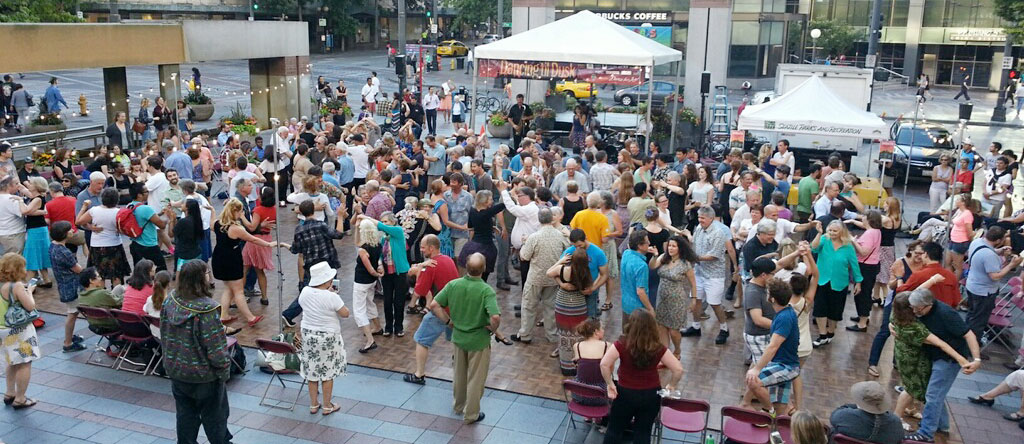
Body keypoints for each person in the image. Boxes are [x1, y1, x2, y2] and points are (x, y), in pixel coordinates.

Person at [161, 260, 233, 444]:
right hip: (205, 377)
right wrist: (224, 373)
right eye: (207, 272)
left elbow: (163, 332)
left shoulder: (170, 300)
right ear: (200, 279)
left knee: (185, 417)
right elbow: (216, 348)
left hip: (177, 370)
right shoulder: (207, 310)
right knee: (215, 419)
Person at [427, 253, 501, 424]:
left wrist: (448, 321)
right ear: (484, 269)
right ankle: (471, 414)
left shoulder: (454, 285)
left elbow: (434, 305)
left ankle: (458, 405)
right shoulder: (485, 290)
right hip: (478, 340)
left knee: (459, 374)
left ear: (466, 267)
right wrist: (492, 329)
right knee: (476, 378)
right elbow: (495, 317)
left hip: (459, 337)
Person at [904, 288, 983, 442]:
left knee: (933, 395)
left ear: (928, 305)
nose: (914, 311)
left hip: (949, 360)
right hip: (935, 355)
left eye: (917, 309)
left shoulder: (946, 314)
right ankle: (942, 424)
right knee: (936, 393)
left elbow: (969, 334)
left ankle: (926, 433)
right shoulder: (920, 307)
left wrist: (977, 359)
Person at [890, 290, 970, 432]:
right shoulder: (916, 328)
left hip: (903, 356)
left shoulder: (895, 316)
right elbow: (941, 344)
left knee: (933, 391)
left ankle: (941, 424)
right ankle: (897, 419)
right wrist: (961, 359)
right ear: (910, 308)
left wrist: (932, 280)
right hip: (915, 360)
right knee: (912, 389)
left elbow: (915, 293)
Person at [600, 310, 683, 444]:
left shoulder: (621, 343)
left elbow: (604, 364)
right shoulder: (658, 347)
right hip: (650, 395)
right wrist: (671, 386)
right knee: (643, 432)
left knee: (614, 430)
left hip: (625, 394)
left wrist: (610, 384)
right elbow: (678, 369)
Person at [212, 198, 278, 328]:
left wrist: (213, 211)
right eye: (241, 211)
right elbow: (253, 239)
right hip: (231, 260)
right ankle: (250, 317)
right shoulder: (236, 228)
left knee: (228, 288)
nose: (242, 213)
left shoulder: (217, 223)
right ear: (235, 211)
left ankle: (224, 315)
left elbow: (210, 223)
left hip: (218, 258)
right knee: (238, 291)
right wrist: (269, 244)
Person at [298, 261, 350, 416]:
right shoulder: (331, 297)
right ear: (327, 281)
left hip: (308, 334)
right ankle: (327, 406)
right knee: (327, 373)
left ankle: (314, 404)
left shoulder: (305, 291)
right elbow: (345, 313)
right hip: (328, 336)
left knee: (312, 371)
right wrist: (335, 296)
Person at [282, 200, 345, 327]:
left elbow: (295, 250)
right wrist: (340, 216)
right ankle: (330, 312)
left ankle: (289, 314)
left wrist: (284, 245)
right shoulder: (321, 225)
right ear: (314, 210)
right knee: (333, 289)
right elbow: (338, 234)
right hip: (328, 263)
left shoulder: (299, 229)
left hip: (311, 266)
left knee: (307, 291)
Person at [513, 208, 568, 344]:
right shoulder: (560, 235)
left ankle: (525, 335)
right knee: (550, 307)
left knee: (528, 306)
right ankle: (552, 335)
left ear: (539, 220)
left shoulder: (534, 237)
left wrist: (525, 242)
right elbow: (567, 251)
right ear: (551, 219)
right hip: (553, 278)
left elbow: (524, 256)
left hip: (535, 278)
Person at [964, 226, 1023, 340]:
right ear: (998, 240)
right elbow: (995, 276)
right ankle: (972, 345)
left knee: (972, 315)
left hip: (972, 285)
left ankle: (966, 338)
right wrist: (1011, 265)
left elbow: (985, 251)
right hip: (983, 292)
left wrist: (999, 251)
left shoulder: (977, 242)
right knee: (978, 321)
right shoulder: (989, 256)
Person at [810, 220, 863, 347]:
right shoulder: (824, 239)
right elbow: (814, 248)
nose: (832, 233)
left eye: (835, 231)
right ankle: (822, 335)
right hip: (822, 280)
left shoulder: (848, 246)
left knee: (835, 311)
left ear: (841, 232)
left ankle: (830, 332)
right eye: (830, 230)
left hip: (840, 282)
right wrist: (819, 233)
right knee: (820, 308)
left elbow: (854, 265)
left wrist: (858, 282)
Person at [0, 253, 40, 410]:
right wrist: (29, 291)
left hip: (3, 327)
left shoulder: (2, 284)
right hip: (18, 329)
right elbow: (30, 306)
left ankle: (9, 393)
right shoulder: (16, 286)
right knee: (24, 362)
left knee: (11, 360)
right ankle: (20, 398)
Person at [651, 235, 698, 358]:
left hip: (676, 299)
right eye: (669, 245)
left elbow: (693, 283)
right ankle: (664, 352)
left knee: (673, 330)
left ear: (679, 248)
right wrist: (655, 256)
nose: (670, 248)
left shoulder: (685, 264)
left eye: (674, 246)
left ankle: (677, 350)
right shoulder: (663, 258)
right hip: (661, 298)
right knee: (661, 326)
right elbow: (652, 266)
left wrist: (693, 299)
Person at [547, 247, 592, 375]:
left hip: (563, 304)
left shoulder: (564, 270)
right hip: (579, 305)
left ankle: (566, 365)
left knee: (563, 333)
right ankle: (578, 364)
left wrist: (561, 281)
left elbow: (549, 273)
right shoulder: (586, 273)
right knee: (578, 333)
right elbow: (588, 289)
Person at [76, 188, 131, 285]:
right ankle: (117, 296)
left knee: (99, 274)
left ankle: (102, 294)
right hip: (114, 244)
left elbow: (78, 221)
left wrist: (84, 208)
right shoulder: (119, 212)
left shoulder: (94, 210)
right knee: (116, 274)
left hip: (98, 245)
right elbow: (123, 230)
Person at [48, 221, 86, 353]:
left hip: (63, 285)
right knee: (72, 313)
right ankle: (68, 342)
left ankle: (69, 337)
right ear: (64, 234)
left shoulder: (53, 246)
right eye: (69, 230)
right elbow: (78, 269)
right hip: (72, 286)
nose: (72, 231)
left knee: (72, 312)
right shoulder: (64, 252)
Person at [830, 381, 905, 444]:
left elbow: (834, 417)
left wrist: (856, 405)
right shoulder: (895, 423)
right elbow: (898, 438)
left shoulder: (844, 416)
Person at [242, 188, 277, 304]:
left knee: (245, 268)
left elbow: (252, 227)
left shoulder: (258, 210)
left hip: (255, 240)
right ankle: (265, 297)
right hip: (266, 238)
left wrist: (242, 217)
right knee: (260, 270)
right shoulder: (274, 209)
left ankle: (240, 294)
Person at [128, 181, 170, 272]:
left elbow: (143, 218)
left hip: (135, 243)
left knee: (140, 272)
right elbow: (162, 225)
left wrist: (158, 214)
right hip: (149, 245)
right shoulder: (146, 208)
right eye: (146, 192)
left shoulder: (130, 206)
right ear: (139, 195)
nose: (148, 193)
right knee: (161, 271)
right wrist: (167, 217)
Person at [572, 319, 610, 409]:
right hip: (601, 396)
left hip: (579, 395)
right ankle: (598, 417)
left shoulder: (577, 346)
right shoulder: (607, 346)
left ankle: (588, 416)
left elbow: (578, 366)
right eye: (602, 328)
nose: (603, 330)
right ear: (596, 332)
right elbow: (608, 371)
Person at [620, 230, 653, 325]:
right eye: (647, 242)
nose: (649, 243)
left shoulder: (626, 254)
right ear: (639, 245)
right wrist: (650, 309)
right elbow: (640, 291)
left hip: (626, 304)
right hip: (638, 310)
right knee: (638, 337)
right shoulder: (641, 265)